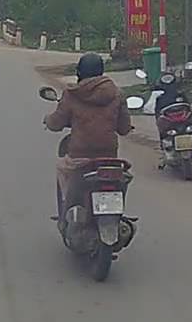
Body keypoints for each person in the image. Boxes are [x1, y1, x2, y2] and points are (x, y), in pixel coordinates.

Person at [44, 53, 133, 216]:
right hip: (109, 158)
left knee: (62, 168)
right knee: (121, 178)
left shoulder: (72, 94)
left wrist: (48, 120)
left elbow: (56, 123)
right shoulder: (117, 94)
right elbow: (124, 128)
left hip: (80, 158)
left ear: (79, 72)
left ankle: (66, 212)